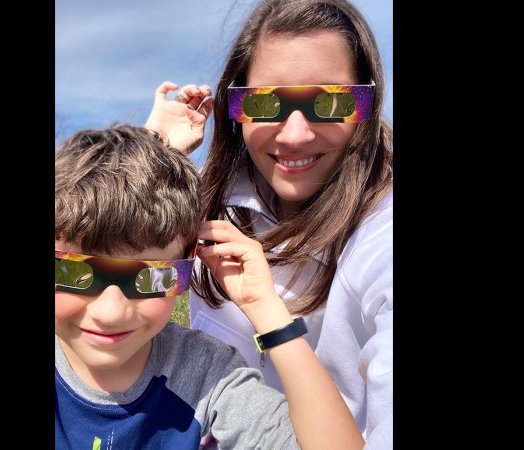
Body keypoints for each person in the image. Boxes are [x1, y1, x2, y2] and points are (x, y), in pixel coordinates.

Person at [144, 0, 393, 448]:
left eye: (328, 100)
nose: (294, 134)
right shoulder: (212, 202)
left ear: (366, 105)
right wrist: (155, 155)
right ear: (235, 106)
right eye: (266, 102)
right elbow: (108, 263)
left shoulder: (382, 240)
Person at [54, 122, 364, 449]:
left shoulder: (208, 374)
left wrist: (266, 308)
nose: (111, 313)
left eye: (151, 277)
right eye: (76, 272)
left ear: (189, 259)